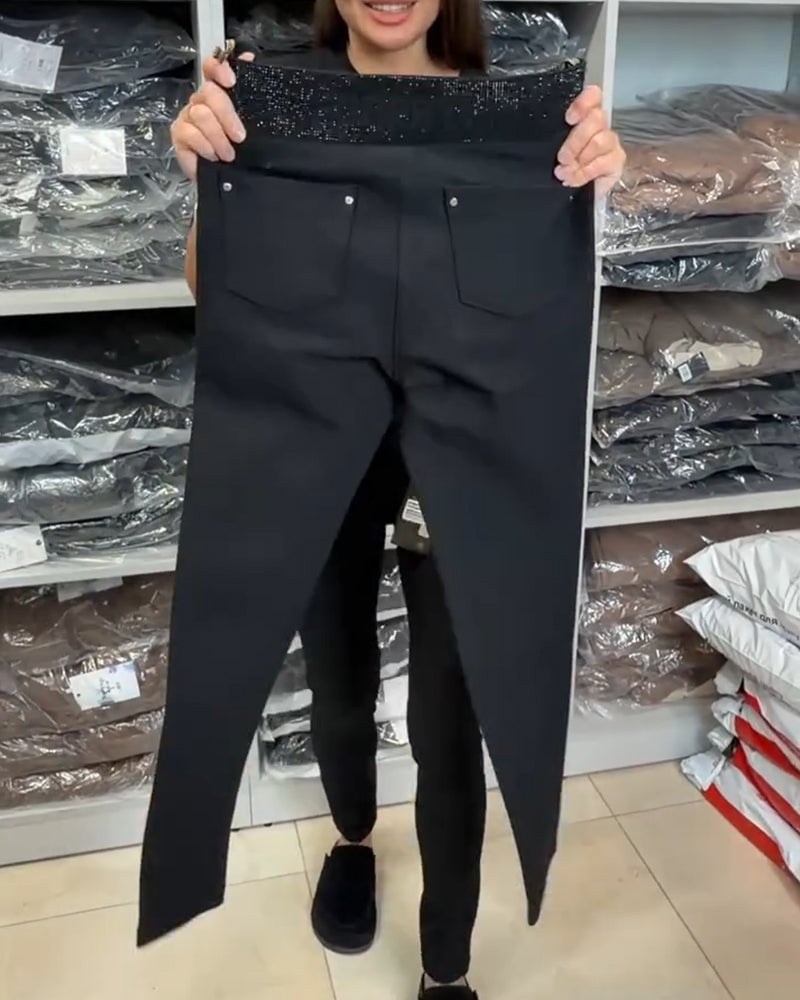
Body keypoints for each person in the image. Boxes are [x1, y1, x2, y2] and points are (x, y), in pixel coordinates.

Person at [169, 2, 625, 998]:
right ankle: (351, 838)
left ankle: (445, 967)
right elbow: (217, 294)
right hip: (316, 431)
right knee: (338, 677)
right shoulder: (274, 97)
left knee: (450, 711)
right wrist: (212, 185)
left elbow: (552, 291)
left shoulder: (512, 116)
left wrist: (589, 182)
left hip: (461, 440)